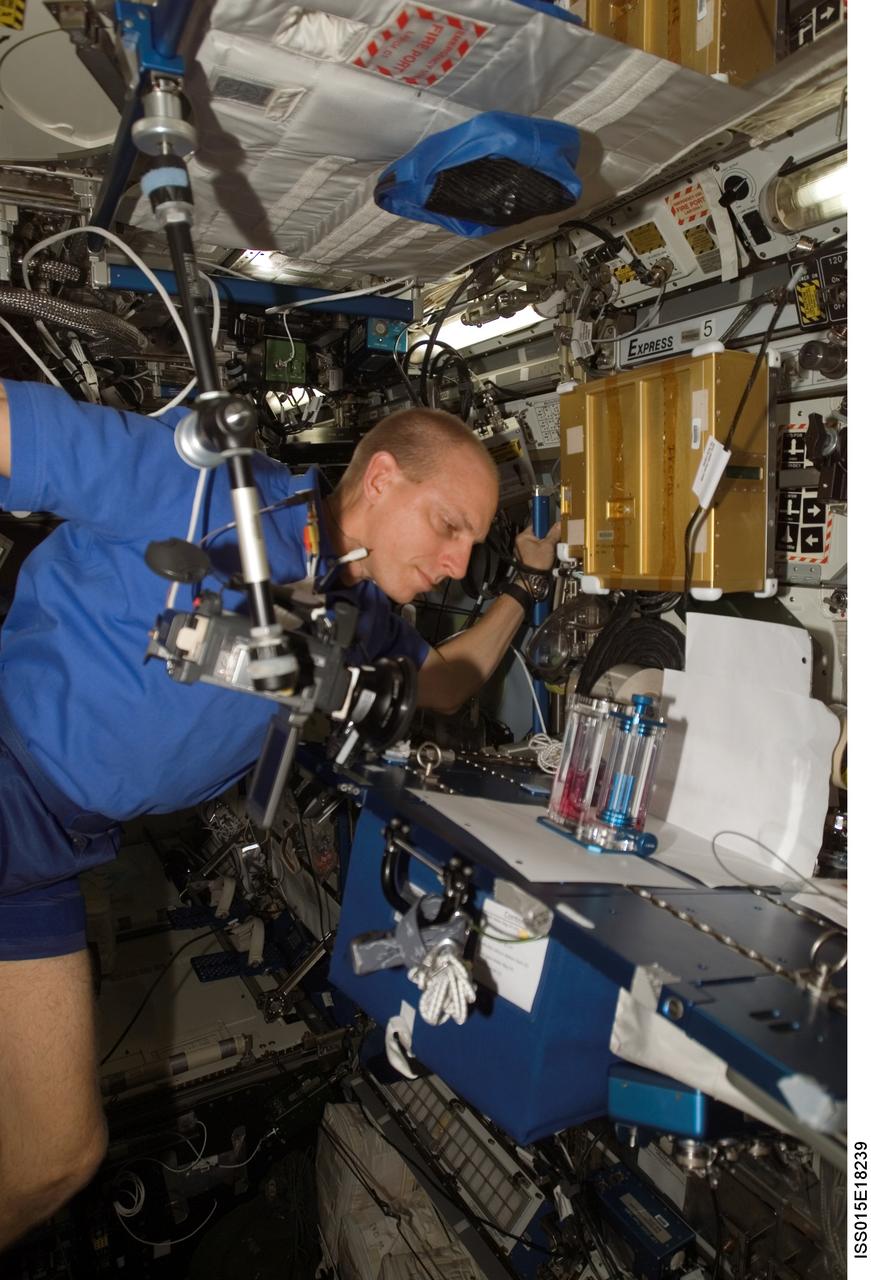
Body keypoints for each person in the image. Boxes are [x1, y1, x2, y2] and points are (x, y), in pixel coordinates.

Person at [0, 377, 559, 1249]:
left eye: (472, 545)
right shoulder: (205, 489)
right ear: (379, 480)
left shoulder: (362, 614)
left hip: (57, 850)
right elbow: (14, 431)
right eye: (448, 526)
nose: (457, 562)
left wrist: (521, 587)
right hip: (7, 773)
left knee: (55, 1160)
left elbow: (440, 681)